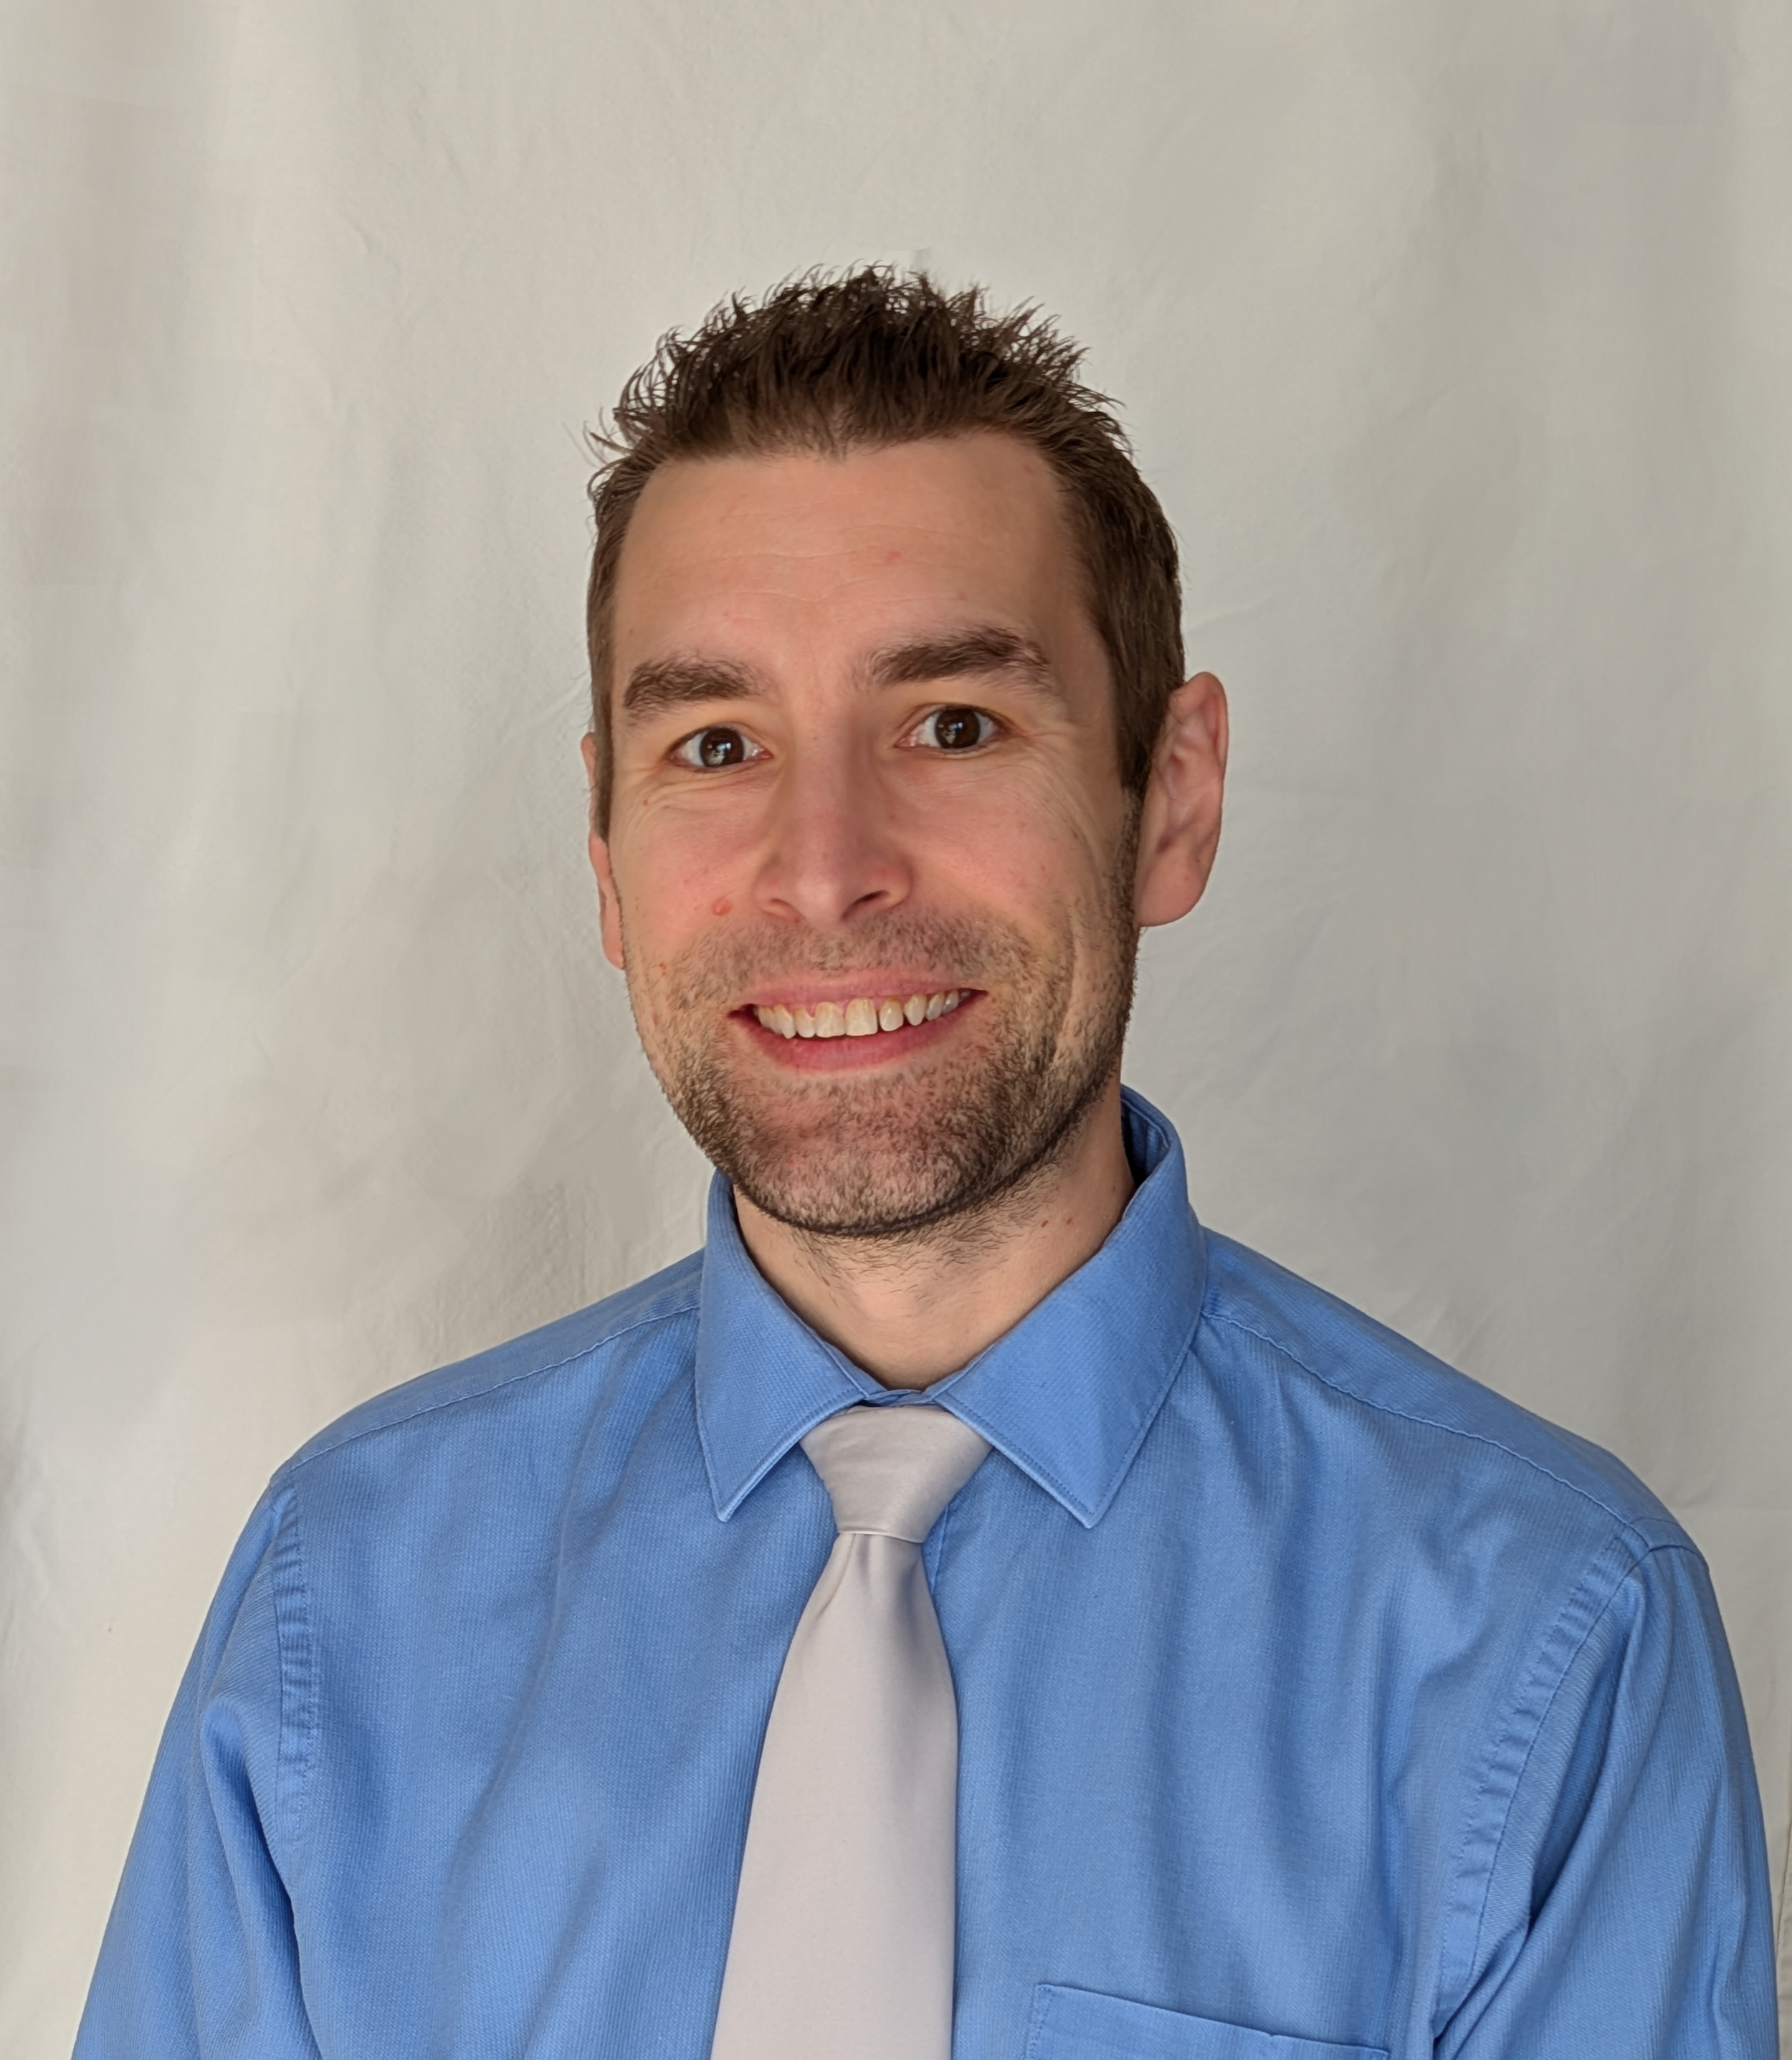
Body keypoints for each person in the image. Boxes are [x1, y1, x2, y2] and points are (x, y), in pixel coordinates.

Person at [77, 270, 1775, 2059]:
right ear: (603, 849)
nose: (823, 868)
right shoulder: (340, 1599)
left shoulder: (1544, 1636)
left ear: (1169, 798)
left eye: (952, 725)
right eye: (714, 744)